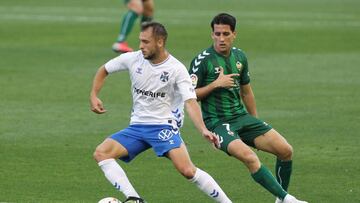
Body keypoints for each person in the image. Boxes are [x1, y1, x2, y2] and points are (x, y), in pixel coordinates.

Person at [90, 22, 232, 203]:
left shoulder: (176, 69)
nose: (141, 46)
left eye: (146, 42)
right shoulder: (133, 58)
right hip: (137, 126)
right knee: (101, 153)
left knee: (187, 170)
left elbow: (190, 101)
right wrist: (94, 95)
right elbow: (104, 69)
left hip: (163, 126)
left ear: (160, 42)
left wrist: (203, 129)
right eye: (140, 41)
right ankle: (135, 199)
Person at [188, 13, 308, 203]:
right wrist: (215, 85)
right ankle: (288, 199)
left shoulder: (240, 56)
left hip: (242, 117)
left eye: (225, 34)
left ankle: (281, 199)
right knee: (250, 158)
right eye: (217, 34)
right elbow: (189, 96)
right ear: (212, 34)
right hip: (218, 123)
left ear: (234, 34)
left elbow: (247, 92)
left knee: (285, 150)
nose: (221, 39)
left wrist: (255, 120)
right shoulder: (202, 61)